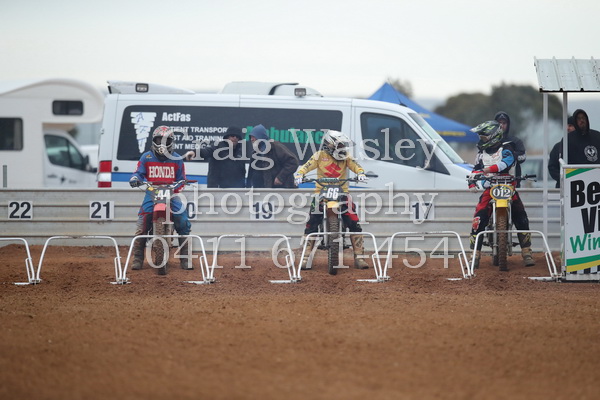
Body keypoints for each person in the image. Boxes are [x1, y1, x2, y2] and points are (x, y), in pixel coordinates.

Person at [293, 130, 369, 270]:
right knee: (311, 222)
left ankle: (359, 257)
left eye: (343, 145)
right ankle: (305, 257)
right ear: (330, 144)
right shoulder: (319, 156)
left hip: (342, 193)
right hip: (321, 193)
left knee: (353, 221)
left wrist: (360, 173)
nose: (342, 147)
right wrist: (300, 174)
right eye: (339, 145)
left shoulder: (346, 156)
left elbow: (356, 166)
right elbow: (306, 166)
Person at [467, 120, 534, 270]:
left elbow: (506, 163)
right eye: (481, 137)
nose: (482, 140)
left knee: (521, 215)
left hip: (508, 186)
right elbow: (476, 169)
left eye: (484, 137)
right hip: (490, 187)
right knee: (479, 216)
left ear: (494, 136)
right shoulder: (481, 154)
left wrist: (487, 170)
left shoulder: (507, 148)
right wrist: (472, 181)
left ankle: (526, 251)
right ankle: (475, 254)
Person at [129, 125, 192, 270]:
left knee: (182, 218)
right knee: (142, 221)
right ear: (154, 140)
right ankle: (138, 257)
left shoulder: (177, 159)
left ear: (171, 142)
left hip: (171, 193)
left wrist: (182, 183)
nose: (162, 143)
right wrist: (135, 178)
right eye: (159, 140)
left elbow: (181, 178)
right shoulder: (146, 157)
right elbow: (139, 172)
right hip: (152, 191)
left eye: (166, 140)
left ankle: (185, 257)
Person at [548, 110, 600, 188]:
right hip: (572, 187)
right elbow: (553, 167)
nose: (581, 121)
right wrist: (565, 178)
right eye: (579, 118)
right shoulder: (565, 142)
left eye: (583, 118)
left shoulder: (597, 137)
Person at [246, 124, 299, 188]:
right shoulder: (255, 153)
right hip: (261, 191)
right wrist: (248, 187)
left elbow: (293, 162)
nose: (251, 139)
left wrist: (280, 177)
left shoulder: (275, 146)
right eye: (251, 137)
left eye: (254, 137)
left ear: (260, 136)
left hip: (281, 190)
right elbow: (251, 173)